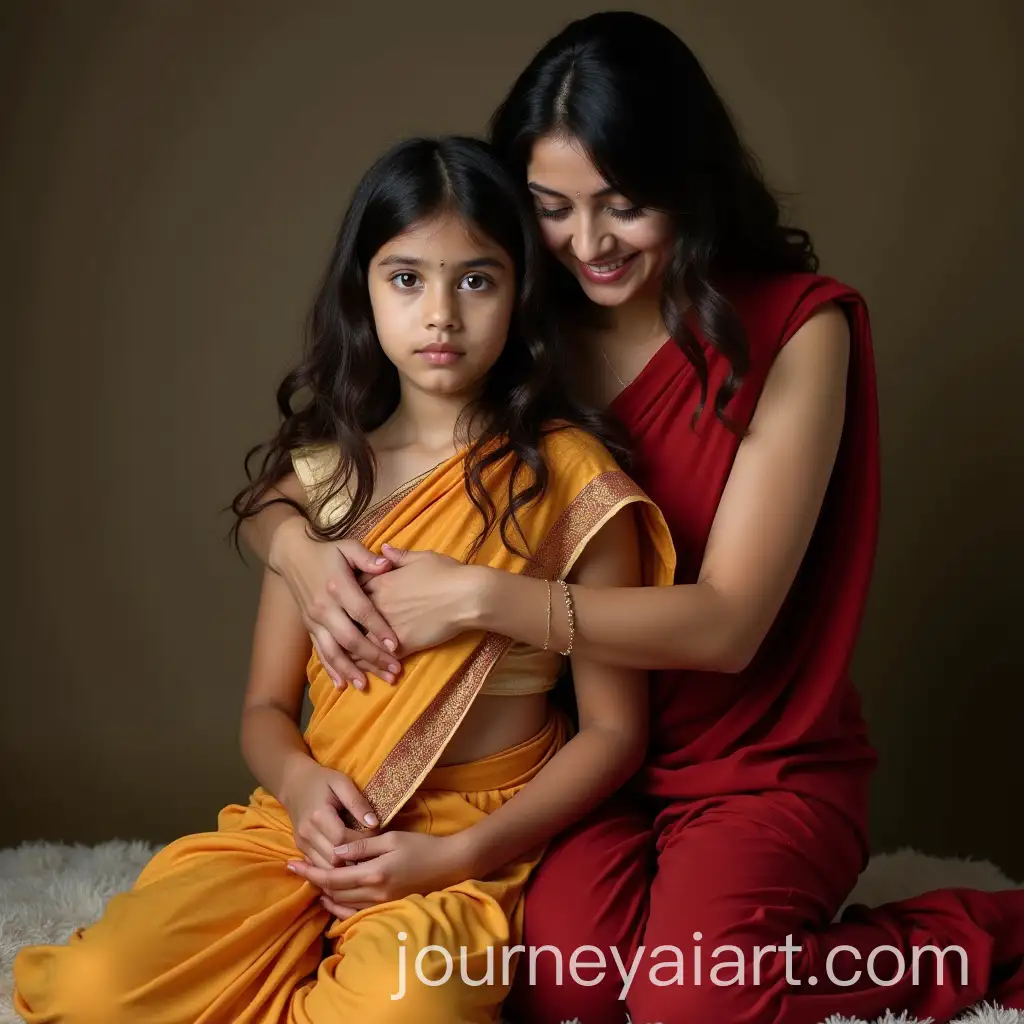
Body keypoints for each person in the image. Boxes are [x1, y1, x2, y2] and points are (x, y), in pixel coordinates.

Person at [235, 11, 1024, 1024]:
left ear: (686, 186)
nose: (589, 243)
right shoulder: (520, 317)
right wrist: (299, 554)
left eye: (623, 205)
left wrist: (485, 599)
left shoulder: (795, 327)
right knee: (560, 988)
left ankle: (983, 930)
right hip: (587, 763)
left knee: (689, 1005)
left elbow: (728, 624)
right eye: (550, 208)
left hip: (759, 763)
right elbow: (299, 476)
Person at [12, 135, 675, 1023]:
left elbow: (614, 733)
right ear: (362, 289)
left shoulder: (568, 479)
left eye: (476, 280)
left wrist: (460, 855)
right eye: (406, 278)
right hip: (312, 824)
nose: (440, 314)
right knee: (93, 992)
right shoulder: (321, 485)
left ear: (521, 293)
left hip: (467, 842)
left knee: (408, 1010)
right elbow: (265, 713)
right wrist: (298, 787)